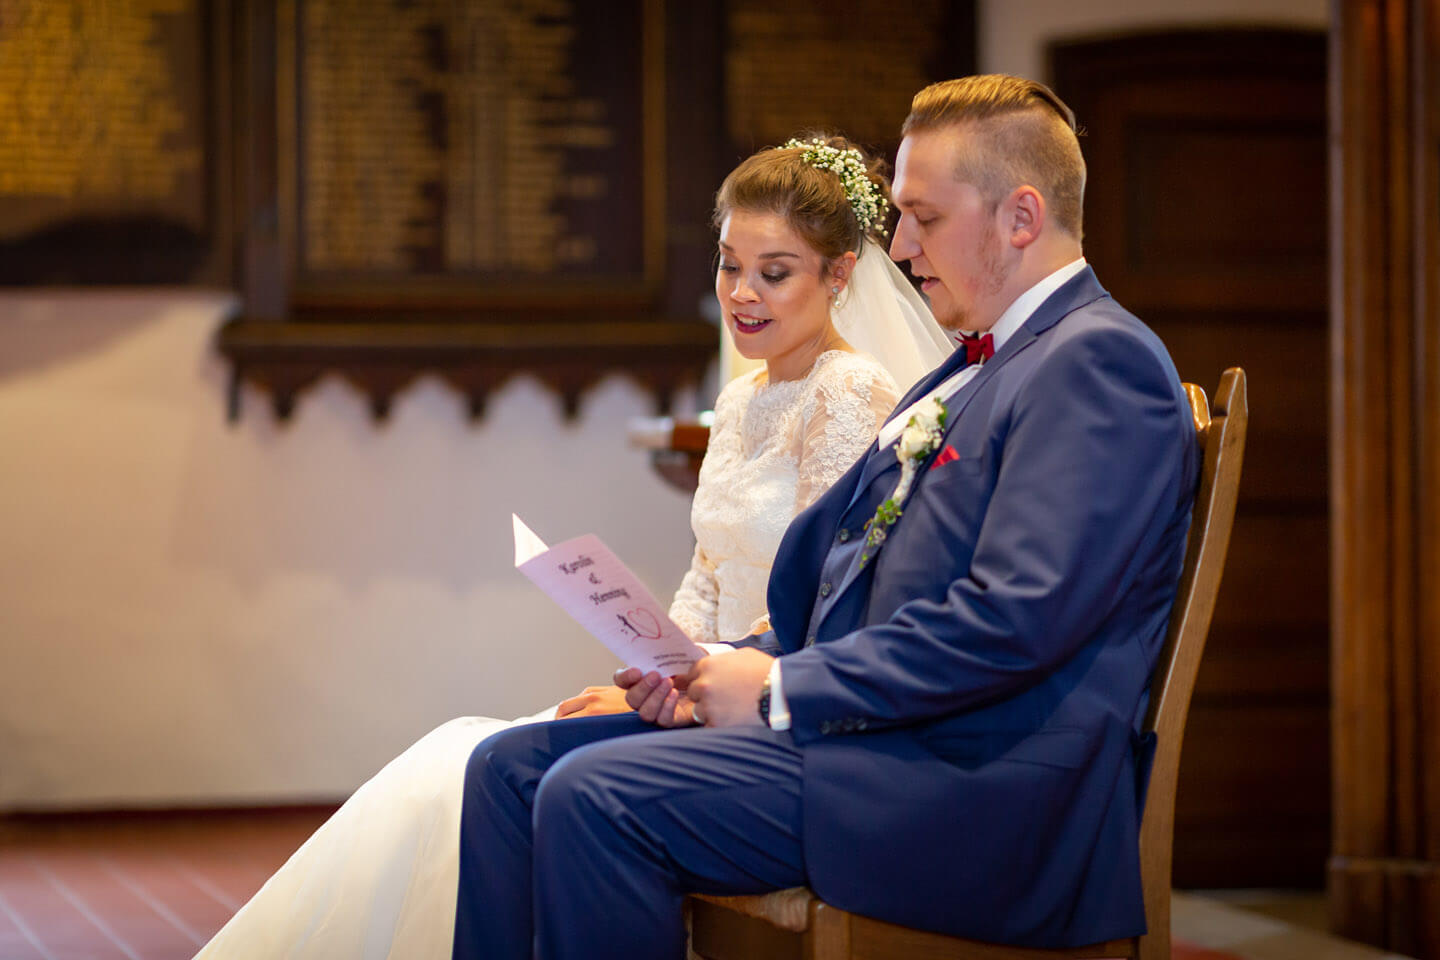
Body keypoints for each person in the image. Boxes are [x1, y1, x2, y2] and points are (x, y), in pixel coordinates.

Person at [450, 75, 1199, 960]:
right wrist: (717, 667)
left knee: (593, 795)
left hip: (974, 787)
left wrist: (778, 692)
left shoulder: (1095, 362)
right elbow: (853, 590)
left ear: (1021, 217)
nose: (903, 246)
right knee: (507, 772)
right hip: (883, 742)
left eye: (923, 217)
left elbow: (1013, 622)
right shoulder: (976, 366)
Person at [191, 136, 951, 960]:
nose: (742, 294)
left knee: (498, 765)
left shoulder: (849, 392)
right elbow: (708, 568)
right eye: (729, 266)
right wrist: (656, 661)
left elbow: (817, 595)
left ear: (838, 276)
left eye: (776, 272)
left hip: (760, 702)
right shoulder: (740, 399)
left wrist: (689, 680)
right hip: (696, 682)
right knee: (469, 756)